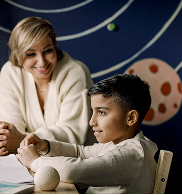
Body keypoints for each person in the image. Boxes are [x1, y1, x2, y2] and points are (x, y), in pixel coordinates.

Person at [16, 74, 158, 194]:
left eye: (101, 112)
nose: (92, 122)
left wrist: (35, 161)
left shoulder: (133, 155)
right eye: (93, 112)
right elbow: (80, 152)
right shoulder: (116, 143)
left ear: (131, 118)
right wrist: (46, 146)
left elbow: (72, 171)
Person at [0, 17, 94, 155]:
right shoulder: (10, 72)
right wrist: (2, 139)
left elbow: (71, 135)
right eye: (31, 54)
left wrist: (20, 140)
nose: (41, 62)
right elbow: (9, 127)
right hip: (31, 158)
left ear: (54, 44)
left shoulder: (74, 72)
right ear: (17, 55)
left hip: (80, 160)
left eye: (47, 51)